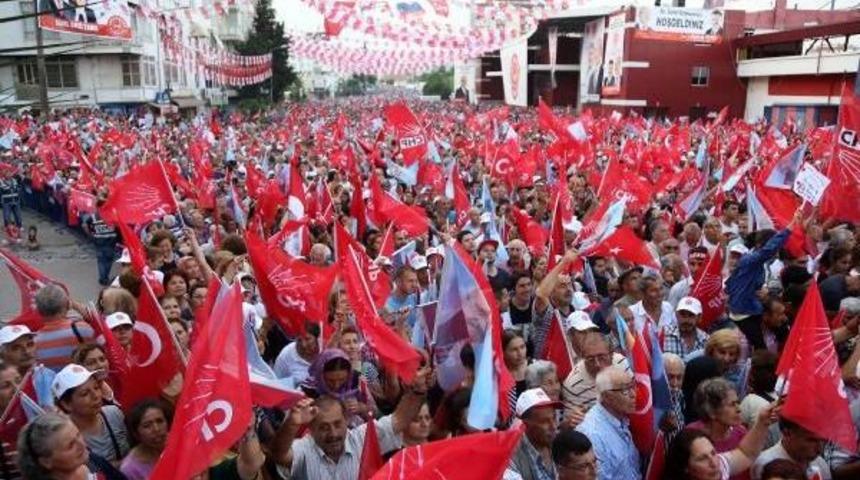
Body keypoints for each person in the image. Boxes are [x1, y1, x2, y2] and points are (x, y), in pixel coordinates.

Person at [271, 366, 430, 479]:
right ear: (311, 429)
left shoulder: (361, 438)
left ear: (346, 420)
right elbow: (279, 454)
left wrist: (418, 390)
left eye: (337, 424)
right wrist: (292, 424)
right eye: (324, 428)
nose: (333, 434)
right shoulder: (304, 449)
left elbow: (399, 419)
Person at [664, 400, 778, 480]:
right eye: (702, 459)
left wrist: (763, 421)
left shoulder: (719, 464)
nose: (714, 463)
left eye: (713, 453)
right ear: (685, 467)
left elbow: (746, 453)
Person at [51, 364, 129, 465]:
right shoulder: (65, 437)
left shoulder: (114, 414)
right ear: (66, 404)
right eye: (85, 394)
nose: (96, 396)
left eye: (96, 388)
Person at [575, 366, 640, 480]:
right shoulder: (593, 434)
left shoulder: (620, 418)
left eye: (632, 387)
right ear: (607, 397)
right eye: (625, 390)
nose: (633, 395)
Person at [686, 378, 748, 478]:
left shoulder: (742, 434)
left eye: (738, 403)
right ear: (712, 412)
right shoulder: (690, 435)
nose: (739, 409)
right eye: (732, 404)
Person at [562, 331, 627, 414]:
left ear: (611, 354)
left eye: (602, 357)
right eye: (591, 359)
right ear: (582, 358)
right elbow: (573, 419)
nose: (597, 364)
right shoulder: (573, 386)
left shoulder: (622, 363)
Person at [33, 285, 95, 371]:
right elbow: (96, 321)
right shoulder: (83, 329)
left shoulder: (34, 342)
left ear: (39, 310)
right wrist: (75, 305)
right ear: (67, 305)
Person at [507, 388, 561, 480]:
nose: (554, 426)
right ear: (525, 425)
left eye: (554, 418)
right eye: (545, 421)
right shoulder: (511, 456)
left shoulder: (561, 444)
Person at [751, 418, 831, 480]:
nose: (820, 449)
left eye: (824, 441)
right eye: (811, 440)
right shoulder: (764, 463)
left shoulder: (821, 464)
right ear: (787, 433)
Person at [119, 399, 171, 480]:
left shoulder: (180, 443)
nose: (156, 429)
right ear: (136, 433)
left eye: (160, 421)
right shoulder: (130, 469)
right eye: (147, 426)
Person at [84, 202, 119, 286]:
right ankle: (105, 277)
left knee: (101, 261)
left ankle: (103, 278)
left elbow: (85, 225)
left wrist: (90, 235)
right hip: (111, 242)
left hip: (99, 242)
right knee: (108, 261)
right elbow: (118, 226)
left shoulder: (94, 216)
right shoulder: (112, 215)